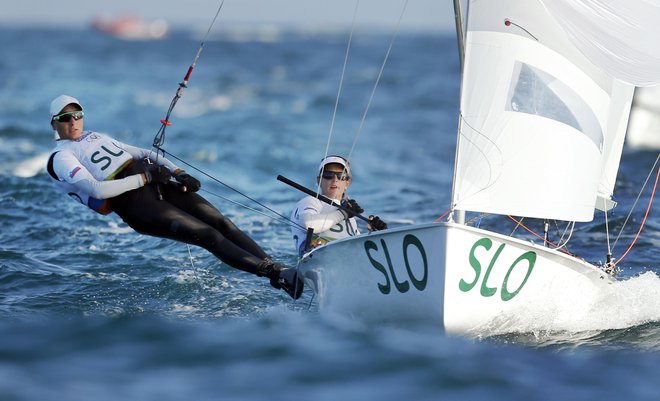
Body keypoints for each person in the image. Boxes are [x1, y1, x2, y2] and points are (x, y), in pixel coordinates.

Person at [45, 94, 303, 299]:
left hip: (158, 182)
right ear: (54, 122)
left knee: (221, 222)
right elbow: (96, 190)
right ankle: (272, 273)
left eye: (78, 115)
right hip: (136, 205)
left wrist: (178, 172)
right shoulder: (61, 157)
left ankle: (277, 269)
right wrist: (145, 179)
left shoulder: (95, 136)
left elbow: (142, 152)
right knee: (208, 235)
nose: (73, 121)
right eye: (66, 117)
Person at [290, 155, 387, 256]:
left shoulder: (351, 218)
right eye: (328, 175)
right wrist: (343, 213)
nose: (335, 179)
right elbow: (309, 224)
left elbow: (359, 251)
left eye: (341, 176)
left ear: (347, 183)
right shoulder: (311, 201)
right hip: (317, 259)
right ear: (319, 180)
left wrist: (377, 235)